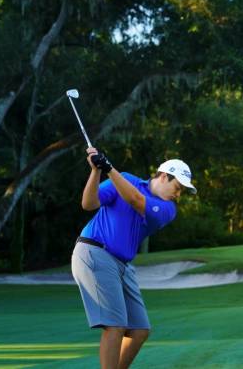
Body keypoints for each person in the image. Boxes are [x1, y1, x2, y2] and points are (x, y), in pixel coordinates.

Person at [71, 147, 196, 369]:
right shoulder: (125, 179)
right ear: (164, 176)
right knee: (115, 326)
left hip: (122, 264)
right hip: (94, 251)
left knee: (139, 330)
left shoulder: (168, 209)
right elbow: (88, 204)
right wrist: (96, 171)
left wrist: (109, 168)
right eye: (177, 188)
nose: (178, 195)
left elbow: (136, 200)